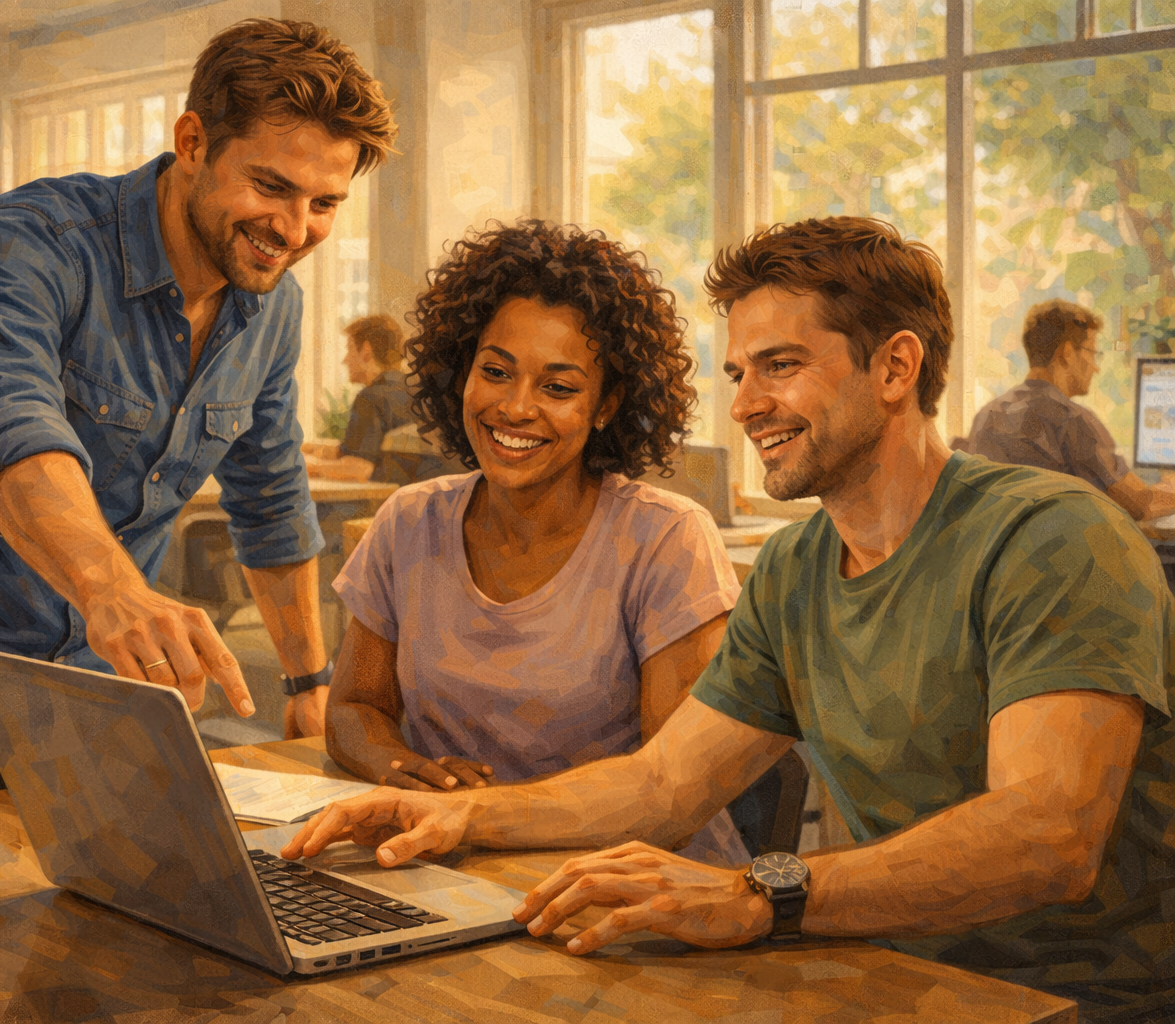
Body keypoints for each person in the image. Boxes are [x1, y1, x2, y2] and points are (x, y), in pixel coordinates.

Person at [282, 216, 1175, 1023]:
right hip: (881, 973)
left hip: (1077, 999)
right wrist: (453, 818)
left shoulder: (1052, 537)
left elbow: (1048, 837)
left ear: (896, 367)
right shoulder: (796, 568)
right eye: (740, 373)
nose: (745, 404)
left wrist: (763, 891)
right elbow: (663, 785)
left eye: (781, 367)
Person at [0, 18, 398, 796]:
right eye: (271, 186)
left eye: (324, 203)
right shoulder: (19, 246)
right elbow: (9, 432)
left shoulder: (271, 309)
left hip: (83, 702)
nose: (292, 228)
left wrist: (309, 682)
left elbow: (271, 497)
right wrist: (116, 592)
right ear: (191, 141)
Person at [325, 221, 741, 793]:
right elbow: (353, 708)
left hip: (618, 869)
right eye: (495, 373)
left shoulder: (666, 539)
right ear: (460, 373)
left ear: (606, 405)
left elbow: (669, 786)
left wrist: (479, 819)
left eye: (558, 388)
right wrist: (406, 773)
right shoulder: (408, 521)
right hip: (446, 862)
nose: (516, 408)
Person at [966, 298, 1175, 519]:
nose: (1095, 367)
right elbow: (1141, 504)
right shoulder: (1072, 421)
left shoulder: (987, 416)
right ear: (1067, 352)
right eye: (1092, 353)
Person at [306, 315, 454, 483]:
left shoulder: (371, 398)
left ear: (366, 353)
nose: (345, 360)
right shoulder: (411, 391)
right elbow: (361, 450)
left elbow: (359, 468)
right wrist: (310, 448)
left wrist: (309, 467)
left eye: (350, 349)